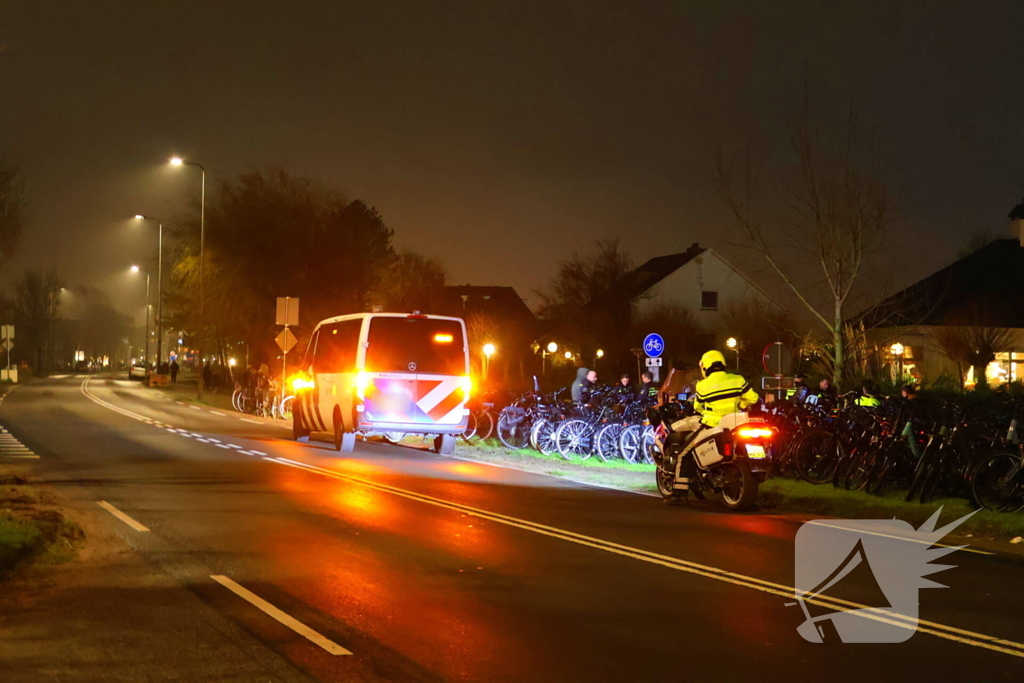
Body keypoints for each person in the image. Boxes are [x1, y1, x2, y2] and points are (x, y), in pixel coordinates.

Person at [666, 350, 760, 503]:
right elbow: (753, 398)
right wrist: (739, 404)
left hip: (712, 425)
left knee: (684, 453)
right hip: (735, 424)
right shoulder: (738, 379)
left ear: (706, 366)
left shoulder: (703, 386)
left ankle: (680, 492)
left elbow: (698, 407)